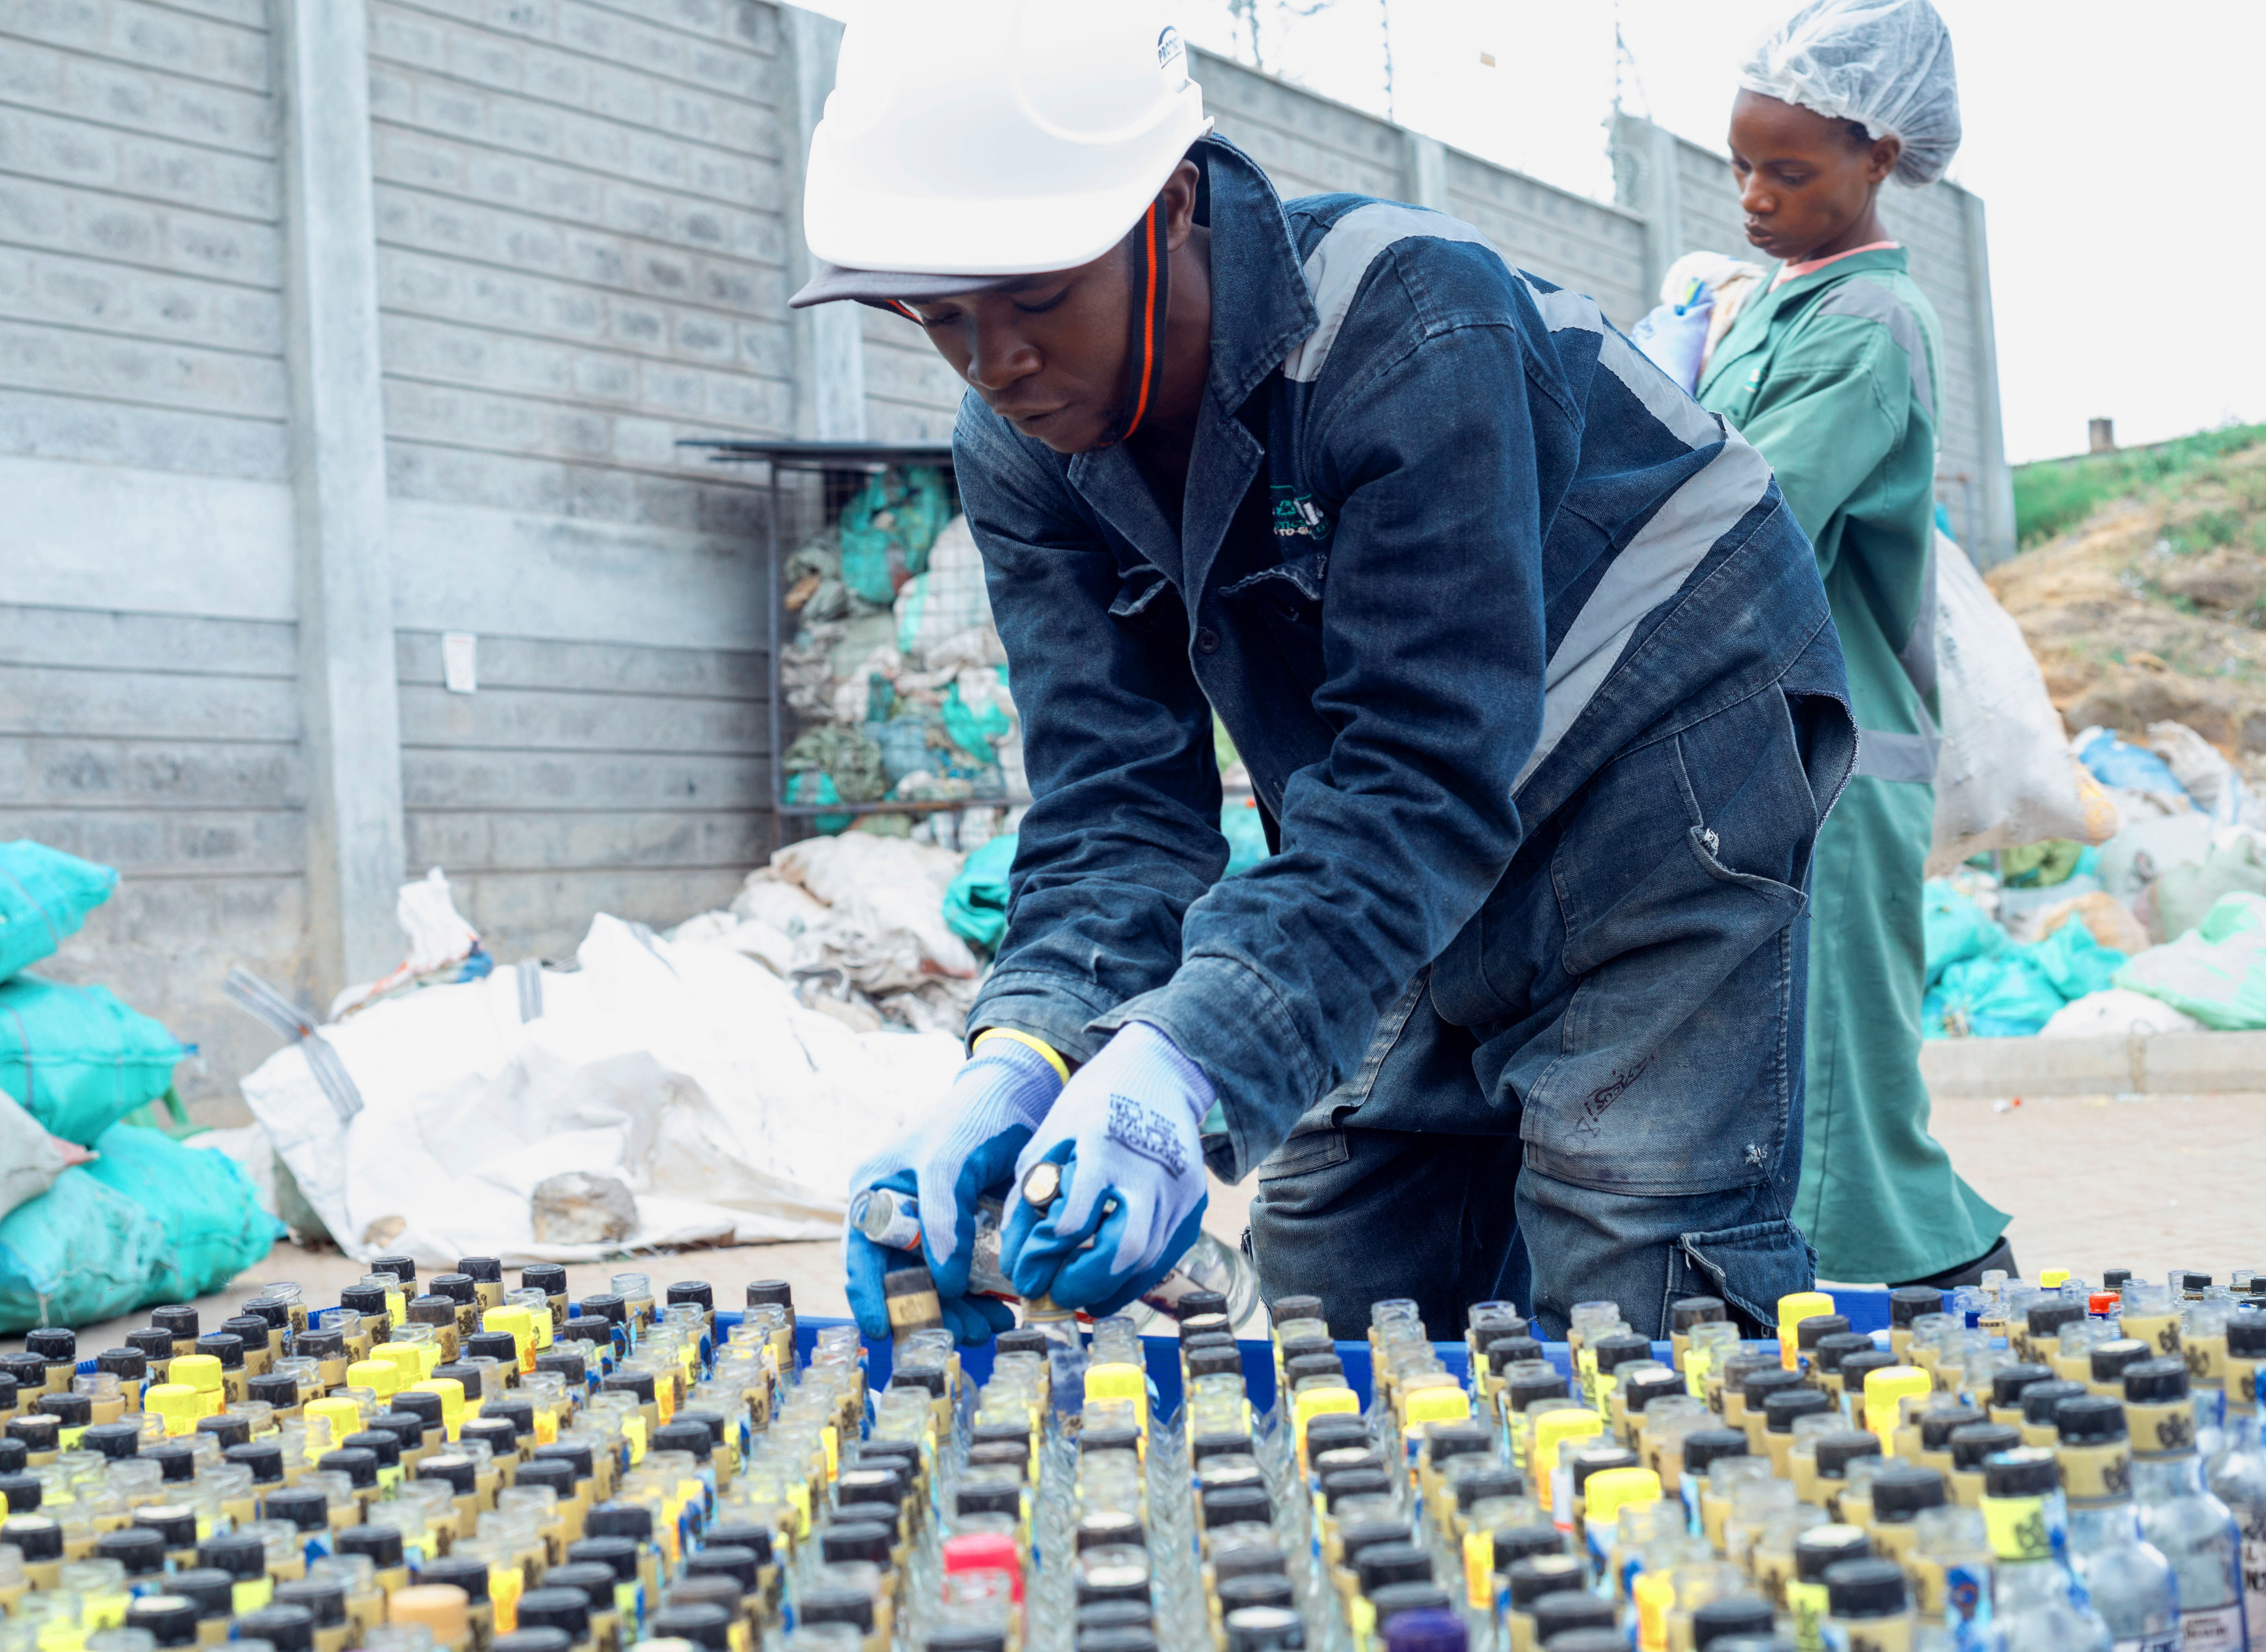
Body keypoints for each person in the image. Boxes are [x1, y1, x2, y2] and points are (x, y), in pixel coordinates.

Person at [805, 0, 1855, 1343]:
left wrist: (1187, 1058)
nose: (998, 362)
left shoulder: (1406, 325)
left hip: (1659, 733)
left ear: (1171, 203)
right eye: (940, 317)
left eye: (1038, 297)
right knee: (1343, 1268)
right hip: (1415, 790)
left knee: (1632, 1255)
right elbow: (1116, 806)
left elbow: (1424, 766)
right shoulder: (1021, 446)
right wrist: (1028, 1053)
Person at [1696, 0, 2010, 1288]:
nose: (1756, 199)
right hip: (1772, 750)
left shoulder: (1872, 325)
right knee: (1794, 1077)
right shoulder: (1776, 307)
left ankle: (1933, 1286)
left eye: (1791, 171)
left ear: (1882, 157)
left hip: (1840, 762)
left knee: (1840, 1091)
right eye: (1743, 167)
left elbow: (1737, 519)